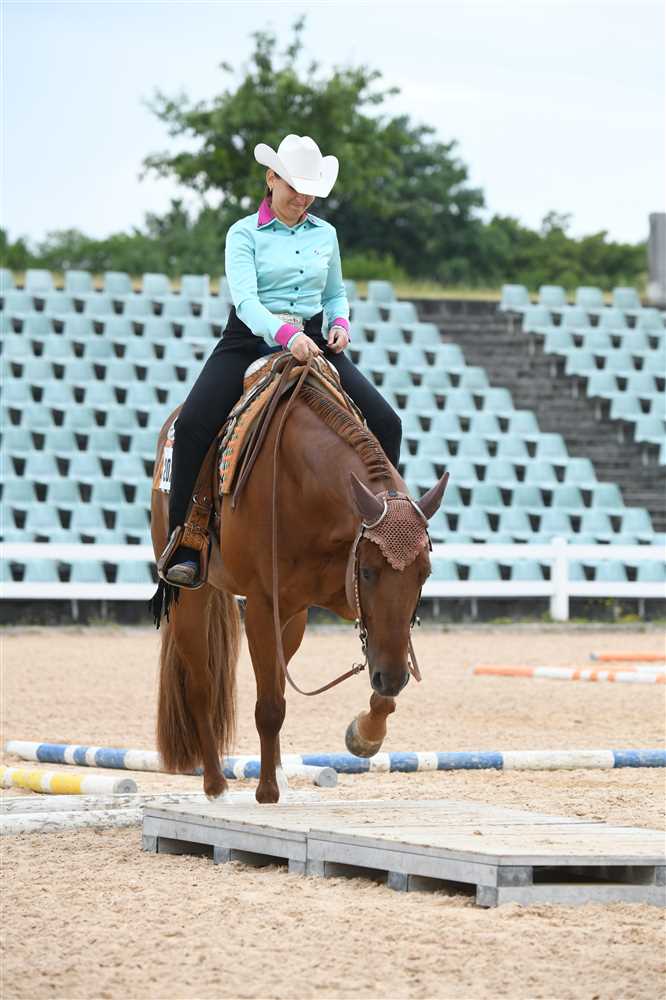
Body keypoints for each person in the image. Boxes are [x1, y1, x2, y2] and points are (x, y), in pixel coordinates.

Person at [161, 133, 402, 587]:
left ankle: (383, 535)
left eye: (310, 190)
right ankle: (187, 538)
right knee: (191, 425)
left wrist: (340, 323)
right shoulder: (243, 233)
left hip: (313, 338)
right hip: (249, 340)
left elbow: (334, 293)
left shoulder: (326, 234)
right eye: (294, 186)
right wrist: (286, 335)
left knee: (388, 424)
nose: (303, 198)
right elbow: (246, 301)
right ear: (271, 178)